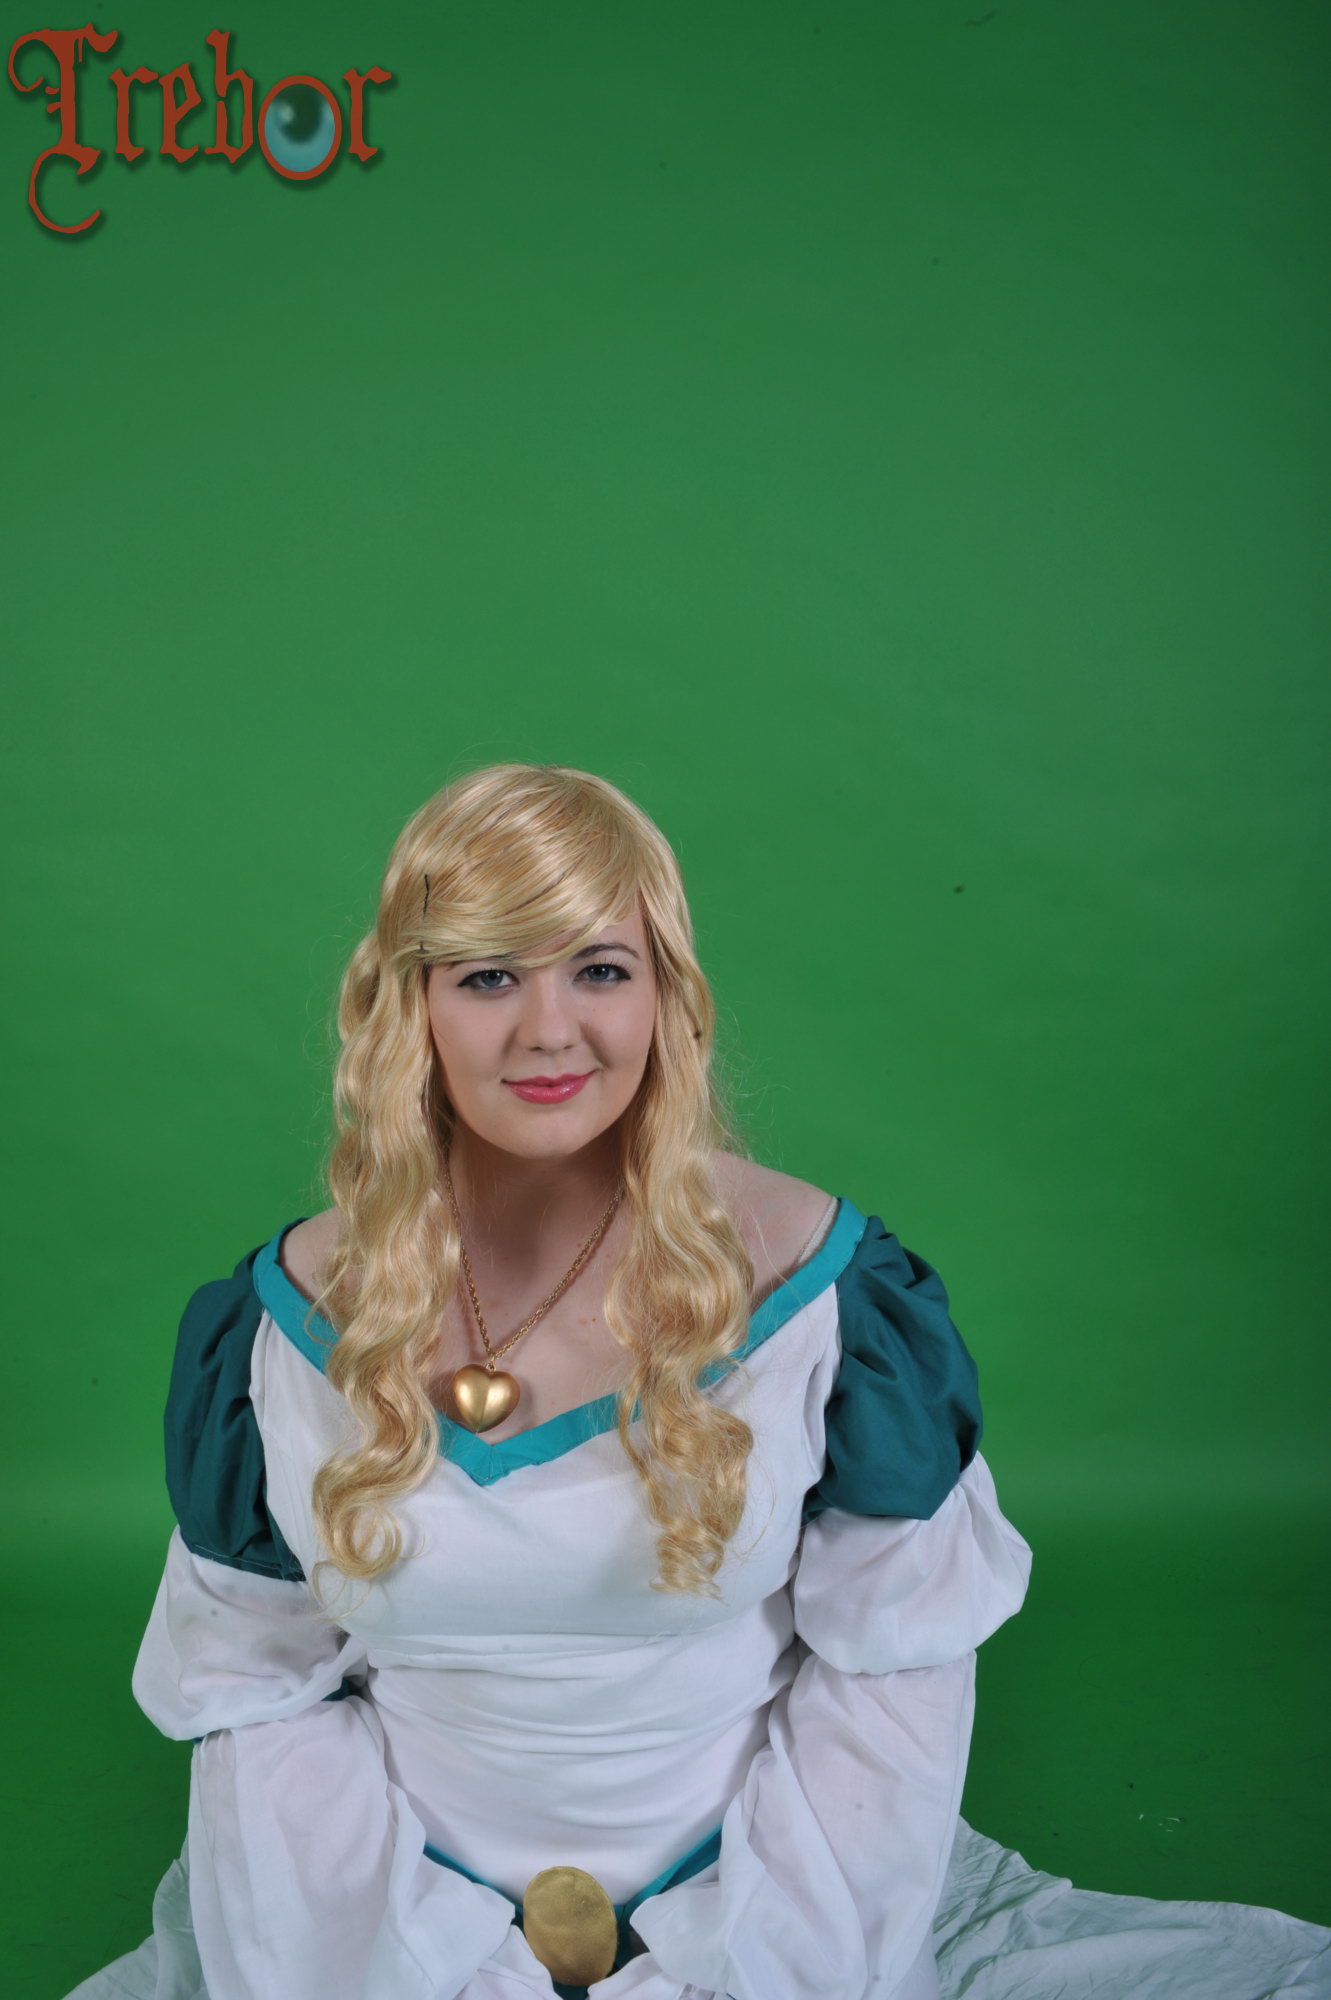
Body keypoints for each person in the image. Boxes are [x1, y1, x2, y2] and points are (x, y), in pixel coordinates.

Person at [65, 763, 1330, 2000]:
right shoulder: (272, 1327)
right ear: (411, 1006)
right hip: (385, 1915)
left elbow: (890, 1676)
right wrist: (404, 1960)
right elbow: (257, 1692)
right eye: (489, 974)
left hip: (764, 1905)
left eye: (599, 969)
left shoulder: (830, 1294)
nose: (548, 1028)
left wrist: (754, 1956)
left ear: (664, 993)